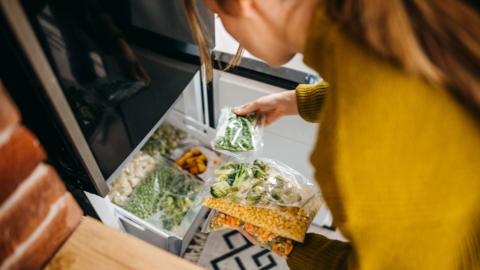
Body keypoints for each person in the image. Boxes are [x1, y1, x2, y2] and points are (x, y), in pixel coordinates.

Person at [185, 0, 480, 269]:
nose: (225, 27)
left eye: (216, 13)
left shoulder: (364, 136)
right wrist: (294, 101)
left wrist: (285, 243)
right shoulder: (386, 25)